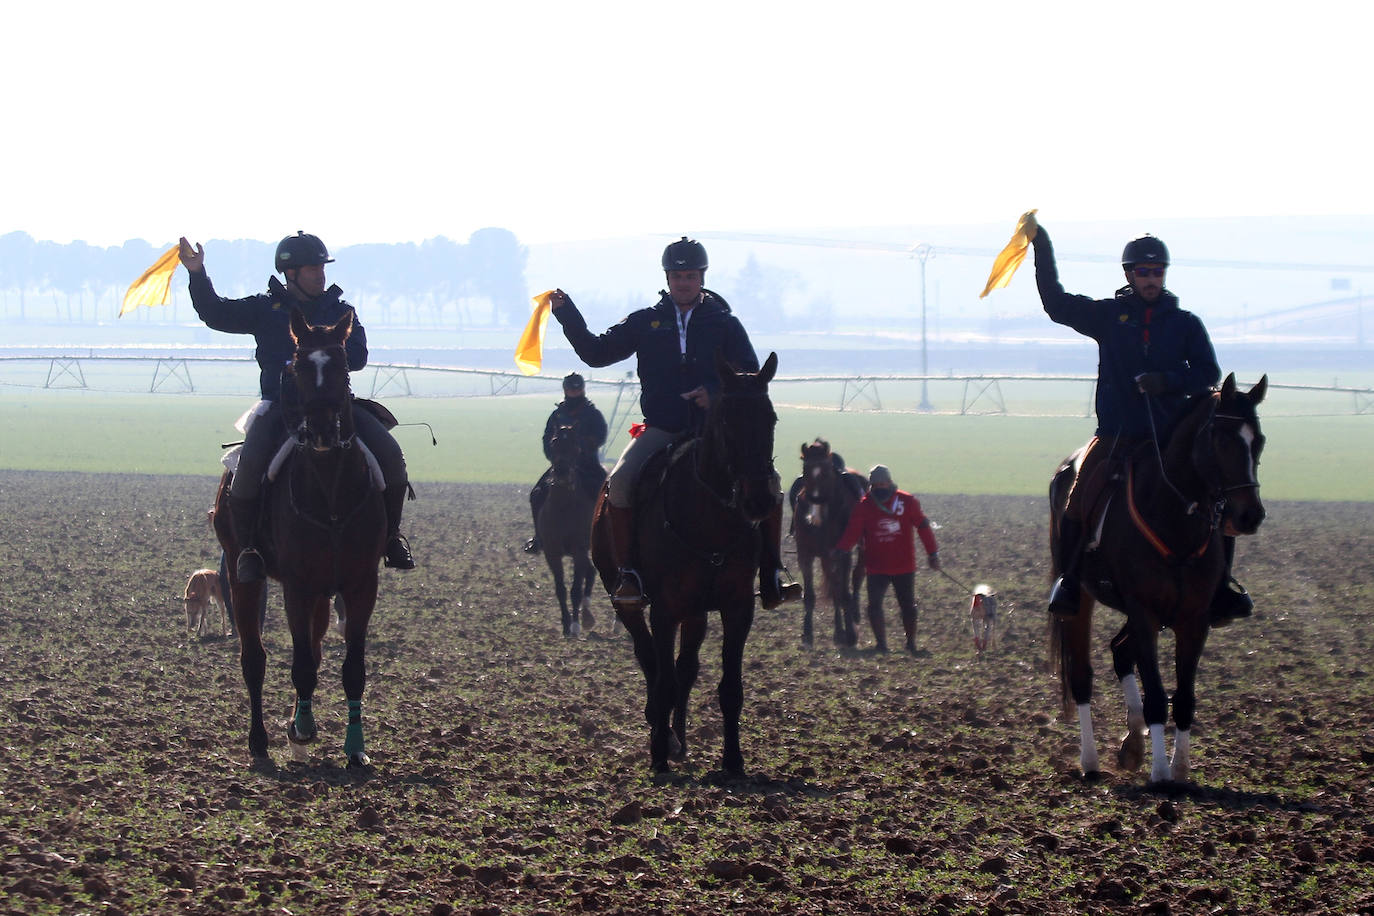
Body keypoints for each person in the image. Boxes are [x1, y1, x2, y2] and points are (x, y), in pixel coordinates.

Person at [548, 236, 799, 610]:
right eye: (677, 275)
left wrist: (714, 394)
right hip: (662, 427)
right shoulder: (645, 322)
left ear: (702, 277)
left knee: (771, 482)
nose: (684, 282)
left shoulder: (725, 323)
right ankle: (630, 574)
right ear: (667, 278)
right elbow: (595, 354)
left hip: (714, 433)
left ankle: (772, 574)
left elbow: (749, 374)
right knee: (619, 483)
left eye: (691, 275)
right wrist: (566, 314)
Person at [1032, 223, 1251, 625]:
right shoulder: (1106, 316)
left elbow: (1208, 372)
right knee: (1077, 498)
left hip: (1171, 437)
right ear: (1129, 274)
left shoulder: (1185, 323)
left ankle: (1222, 586)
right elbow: (1056, 304)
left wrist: (1166, 381)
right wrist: (1041, 247)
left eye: (1158, 271)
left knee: (1219, 499)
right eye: (1144, 271)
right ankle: (1069, 579)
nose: (1152, 279)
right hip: (1116, 435)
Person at [179, 231, 415, 582]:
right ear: (291, 273)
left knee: (391, 455)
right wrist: (197, 273)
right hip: (280, 409)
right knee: (246, 472)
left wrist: (323, 354)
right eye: (312, 268)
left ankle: (391, 539)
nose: (320, 274)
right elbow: (214, 314)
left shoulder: (341, 310)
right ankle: (248, 551)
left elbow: (360, 356)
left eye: (322, 267)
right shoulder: (264, 308)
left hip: (336, 409)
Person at [834, 465, 940, 655]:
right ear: (871, 486)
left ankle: (910, 644)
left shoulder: (907, 501)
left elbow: (923, 527)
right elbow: (852, 533)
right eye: (876, 485)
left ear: (890, 482)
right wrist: (841, 550)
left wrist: (932, 554)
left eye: (883, 484)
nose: (880, 487)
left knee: (907, 606)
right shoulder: (864, 506)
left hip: (904, 566)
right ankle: (881, 644)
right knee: (874, 606)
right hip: (876, 567)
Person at [523, 372, 609, 553]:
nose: (574, 392)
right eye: (571, 389)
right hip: (561, 465)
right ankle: (539, 538)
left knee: (606, 494)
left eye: (577, 389)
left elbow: (600, 436)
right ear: (565, 390)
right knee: (537, 494)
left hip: (588, 465)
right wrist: (555, 457)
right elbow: (547, 438)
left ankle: (607, 535)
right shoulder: (557, 415)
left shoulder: (592, 414)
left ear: (583, 389)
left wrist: (583, 447)